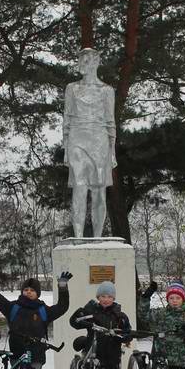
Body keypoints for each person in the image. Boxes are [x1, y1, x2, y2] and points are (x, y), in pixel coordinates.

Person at [63, 47, 116, 238]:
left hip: (100, 141)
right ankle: (78, 238)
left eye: (86, 60)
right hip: (77, 140)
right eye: (80, 60)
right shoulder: (72, 88)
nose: (82, 64)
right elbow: (66, 120)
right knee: (79, 186)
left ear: (96, 62)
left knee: (99, 192)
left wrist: (112, 153)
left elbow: (111, 122)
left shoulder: (107, 90)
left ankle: (98, 238)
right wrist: (65, 149)